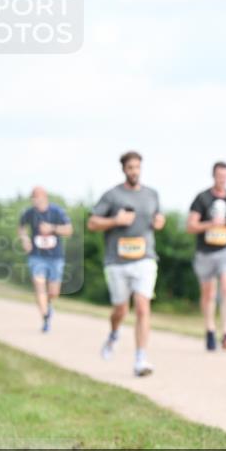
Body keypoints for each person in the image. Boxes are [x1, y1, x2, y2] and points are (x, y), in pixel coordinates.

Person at [87, 151, 165, 376]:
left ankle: (141, 358)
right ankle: (114, 334)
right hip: (117, 261)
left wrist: (160, 222)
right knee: (121, 309)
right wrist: (115, 220)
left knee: (142, 305)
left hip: (145, 258)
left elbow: (158, 218)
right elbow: (92, 223)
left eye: (137, 167)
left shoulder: (152, 194)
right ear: (123, 169)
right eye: (130, 167)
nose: (134, 171)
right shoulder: (112, 195)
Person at [186, 161, 226, 351]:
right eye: (220, 176)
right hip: (206, 251)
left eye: (225, 176)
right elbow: (191, 226)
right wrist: (210, 224)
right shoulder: (202, 198)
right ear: (213, 176)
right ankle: (210, 329)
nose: (223, 180)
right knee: (209, 293)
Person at [18, 187, 73, 332]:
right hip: (36, 256)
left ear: (45, 197)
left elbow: (69, 230)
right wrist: (25, 240)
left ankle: (48, 305)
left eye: (38, 198)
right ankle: (46, 317)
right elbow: (21, 227)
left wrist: (52, 228)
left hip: (55, 257)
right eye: (33, 198)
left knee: (54, 292)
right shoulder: (30, 213)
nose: (35, 201)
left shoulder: (57, 212)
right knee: (39, 285)